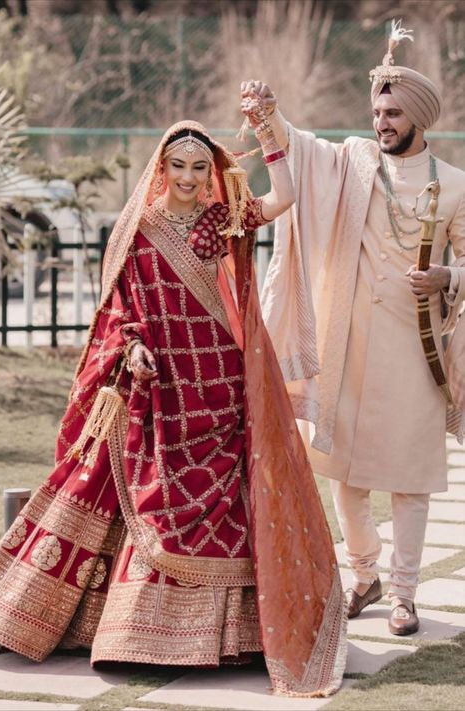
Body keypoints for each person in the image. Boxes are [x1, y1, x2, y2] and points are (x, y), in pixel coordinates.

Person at [0, 114, 347, 696]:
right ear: (162, 168)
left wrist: (267, 135)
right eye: (178, 166)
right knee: (120, 484)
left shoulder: (216, 220)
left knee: (229, 498)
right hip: (159, 382)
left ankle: (234, 638)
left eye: (199, 167)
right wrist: (131, 348)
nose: (187, 177)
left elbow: (283, 198)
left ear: (212, 172)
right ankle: (59, 617)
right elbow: (119, 306)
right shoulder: (138, 227)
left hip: (217, 378)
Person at [242, 21, 465, 636]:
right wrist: (267, 116)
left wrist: (447, 276)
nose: (381, 121)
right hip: (348, 344)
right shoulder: (354, 161)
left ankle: (405, 595)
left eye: (392, 113)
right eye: (377, 110)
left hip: (418, 353)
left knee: (409, 480)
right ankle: (363, 574)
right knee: (344, 471)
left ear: (418, 116)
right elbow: (302, 151)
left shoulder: (455, 187)